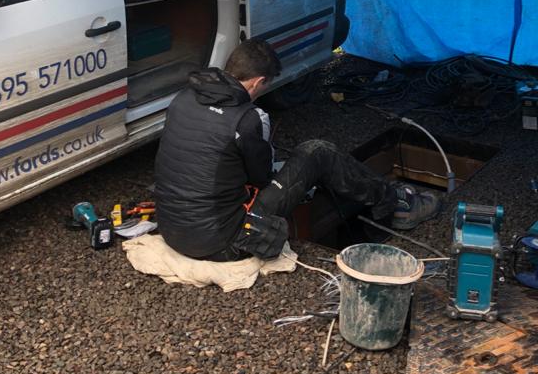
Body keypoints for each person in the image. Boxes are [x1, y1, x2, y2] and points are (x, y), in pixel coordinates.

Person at [154, 40, 442, 262]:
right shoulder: (248, 118)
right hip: (223, 242)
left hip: (173, 230)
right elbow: (261, 178)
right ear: (259, 82)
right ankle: (398, 204)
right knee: (317, 152)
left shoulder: (184, 97)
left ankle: (391, 201)